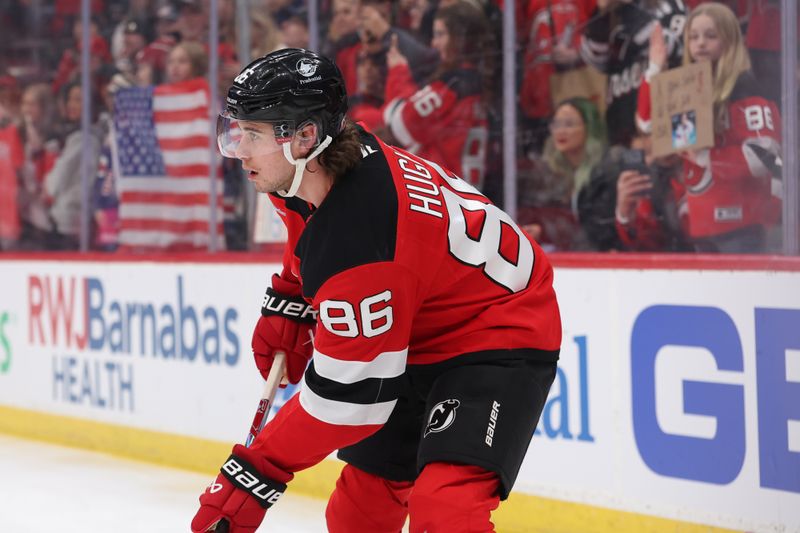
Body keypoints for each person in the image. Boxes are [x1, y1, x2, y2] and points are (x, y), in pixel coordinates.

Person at [191, 48, 561, 533]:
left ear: (303, 137)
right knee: (358, 514)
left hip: (497, 332)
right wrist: (291, 300)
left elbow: (345, 406)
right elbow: (307, 229)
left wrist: (255, 473)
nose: (238, 149)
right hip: (416, 327)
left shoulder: (361, 238)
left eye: (253, 134)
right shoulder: (314, 167)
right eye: (236, 131)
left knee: (445, 510)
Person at [383, 1, 495, 190]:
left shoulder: (451, 86)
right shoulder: (480, 82)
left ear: (461, 38)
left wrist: (398, 71)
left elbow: (400, 124)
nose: (434, 43)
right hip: (469, 195)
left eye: (441, 34)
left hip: (446, 196)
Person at [517, 97, 607, 251]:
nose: (561, 131)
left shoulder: (603, 172)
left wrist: (547, 232)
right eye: (556, 124)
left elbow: (598, 232)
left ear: (589, 128)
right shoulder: (549, 173)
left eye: (569, 124)